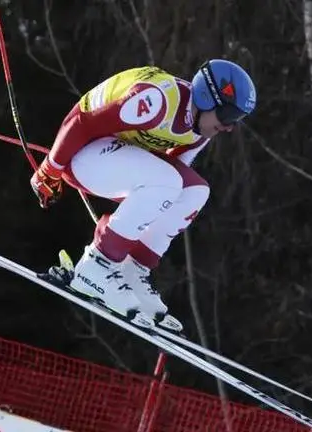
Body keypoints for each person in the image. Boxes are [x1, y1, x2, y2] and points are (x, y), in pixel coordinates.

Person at [30, 59, 257, 332]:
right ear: (208, 99)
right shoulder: (158, 99)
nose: (230, 127)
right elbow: (82, 122)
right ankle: (97, 266)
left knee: (195, 191)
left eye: (237, 120)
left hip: (115, 156)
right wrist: (50, 170)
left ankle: (132, 270)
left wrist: (134, 221)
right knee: (168, 181)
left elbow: (168, 184)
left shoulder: (199, 133)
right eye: (229, 116)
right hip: (82, 152)